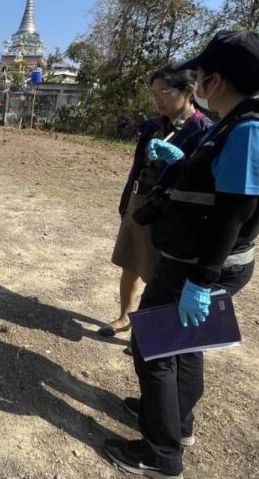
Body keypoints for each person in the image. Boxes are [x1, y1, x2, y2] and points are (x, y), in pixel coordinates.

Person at [103, 30, 259, 479]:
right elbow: (218, 189)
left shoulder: (251, 130)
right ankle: (177, 422)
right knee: (186, 343)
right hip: (199, 260)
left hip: (200, 265)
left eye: (196, 77)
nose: (193, 85)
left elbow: (234, 213)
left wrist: (199, 280)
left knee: (153, 345)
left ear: (214, 81)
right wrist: (181, 161)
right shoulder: (240, 122)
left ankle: (161, 454)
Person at [102, 65, 213, 337]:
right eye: (154, 94)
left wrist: (179, 162)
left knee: (158, 273)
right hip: (140, 201)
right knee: (131, 263)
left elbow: (202, 177)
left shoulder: (202, 130)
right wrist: (127, 200)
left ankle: (146, 332)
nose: (158, 100)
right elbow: (137, 166)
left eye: (164, 92)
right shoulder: (154, 125)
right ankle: (125, 316)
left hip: (169, 209)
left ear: (189, 91)